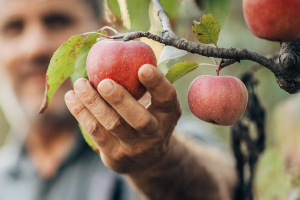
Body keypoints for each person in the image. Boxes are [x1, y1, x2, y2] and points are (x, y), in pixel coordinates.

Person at [0, 0, 237, 199]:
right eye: (13, 27)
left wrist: (158, 162)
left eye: (57, 21)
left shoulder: (158, 132)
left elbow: (223, 186)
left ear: (104, 33)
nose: (34, 48)